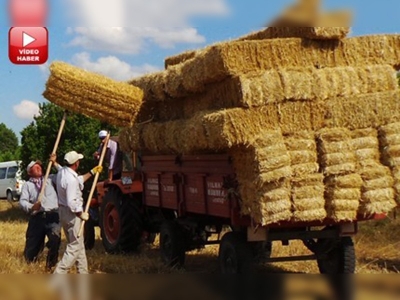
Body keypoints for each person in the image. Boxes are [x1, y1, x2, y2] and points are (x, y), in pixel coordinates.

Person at [53, 150, 102, 274]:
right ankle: (58, 274)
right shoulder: (71, 180)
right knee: (74, 247)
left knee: (79, 247)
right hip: (72, 214)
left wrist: (92, 172)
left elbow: (78, 178)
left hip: (63, 212)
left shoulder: (62, 172)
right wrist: (81, 214)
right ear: (76, 163)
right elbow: (71, 202)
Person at [19, 155, 61, 271]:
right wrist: (32, 206)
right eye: (35, 167)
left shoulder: (50, 179)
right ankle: (31, 266)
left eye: (39, 166)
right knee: (31, 251)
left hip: (53, 215)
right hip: (37, 218)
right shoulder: (27, 185)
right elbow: (22, 202)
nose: (39, 168)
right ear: (29, 172)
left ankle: (50, 266)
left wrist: (55, 164)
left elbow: (65, 175)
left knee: (55, 239)